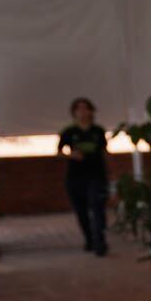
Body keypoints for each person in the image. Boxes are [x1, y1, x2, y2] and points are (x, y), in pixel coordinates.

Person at [58, 97, 109, 256]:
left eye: (86, 108)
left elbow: (104, 151)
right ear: (74, 113)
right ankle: (89, 239)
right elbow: (59, 151)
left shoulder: (98, 131)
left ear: (91, 111)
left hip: (96, 175)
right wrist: (71, 155)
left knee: (97, 207)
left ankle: (100, 241)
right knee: (81, 211)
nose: (82, 112)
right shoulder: (69, 132)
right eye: (79, 109)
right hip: (75, 177)